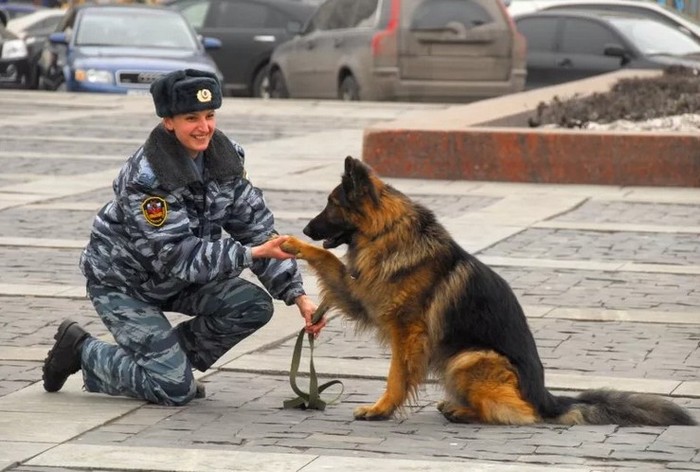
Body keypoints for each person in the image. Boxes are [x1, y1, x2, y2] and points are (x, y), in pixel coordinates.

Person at [42, 68, 325, 406]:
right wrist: (251, 254)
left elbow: (257, 229)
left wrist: (298, 297)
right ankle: (82, 350)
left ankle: (167, 370)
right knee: (174, 390)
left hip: (178, 282)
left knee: (252, 306)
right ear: (169, 122)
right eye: (192, 117)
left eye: (209, 115)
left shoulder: (225, 159)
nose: (204, 127)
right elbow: (180, 256)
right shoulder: (147, 178)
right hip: (125, 284)